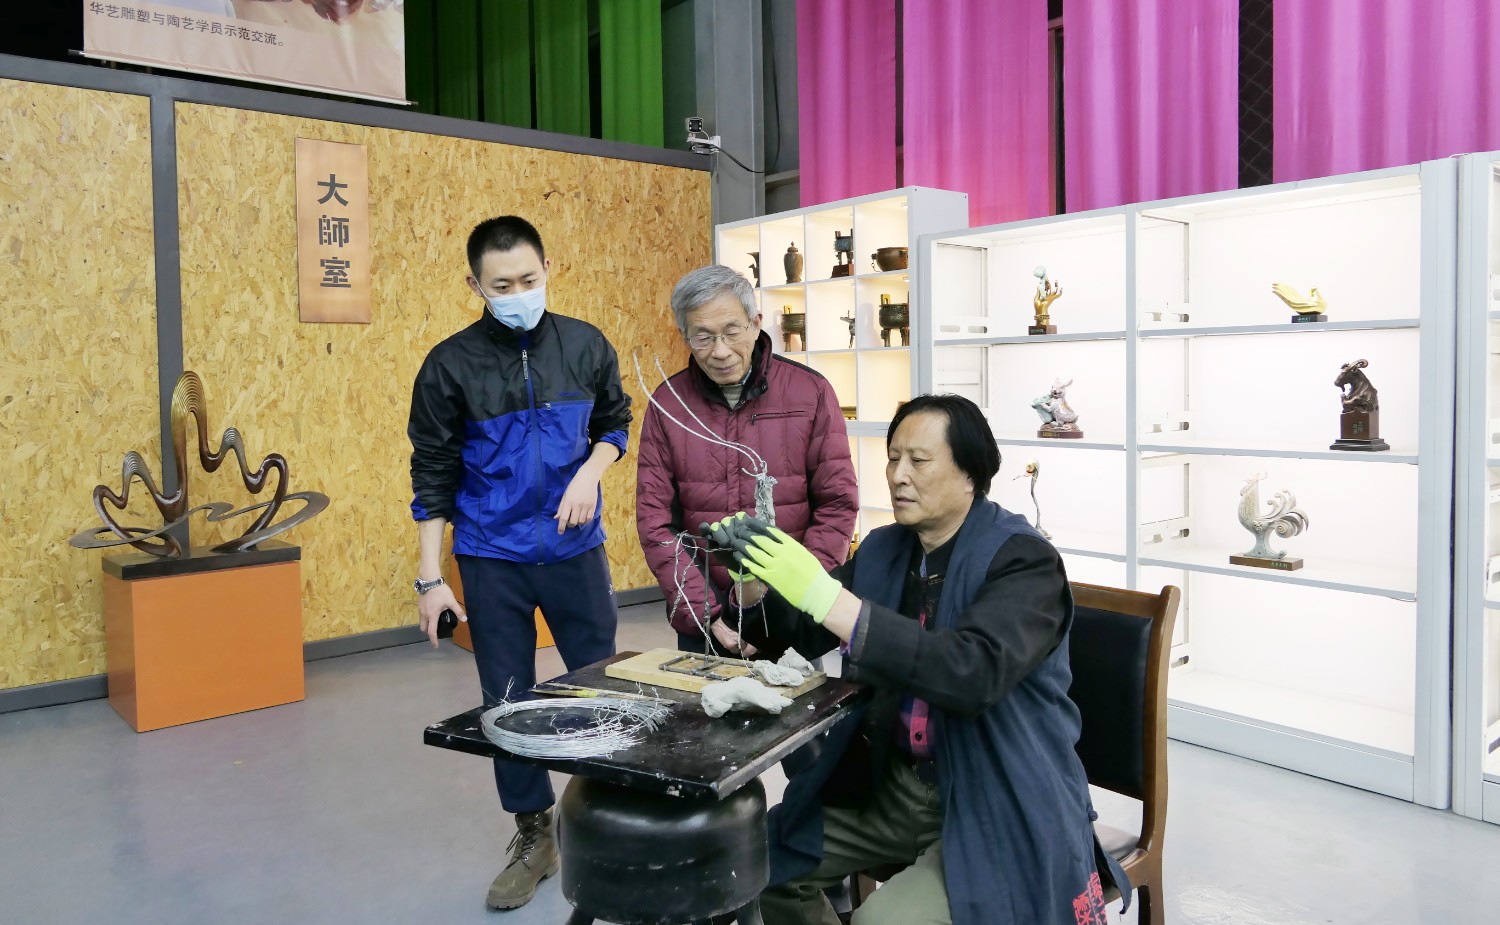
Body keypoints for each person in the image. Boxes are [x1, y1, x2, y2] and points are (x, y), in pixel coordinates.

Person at [704, 394, 1126, 925]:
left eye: (919, 460)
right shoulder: (885, 550)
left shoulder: (1024, 561)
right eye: (892, 458)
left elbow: (971, 672)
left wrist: (827, 597)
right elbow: (800, 633)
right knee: (752, 864)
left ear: (971, 474)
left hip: (993, 793)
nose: (898, 475)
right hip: (891, 782)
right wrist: (750, 582)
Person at [407, 216, 632, 912]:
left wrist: (590, 472)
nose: (517, 295)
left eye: (528, 280)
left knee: (603, 684)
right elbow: (432, 476)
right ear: (473, 285)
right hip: (490, 556)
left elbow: (615, 424)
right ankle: (535, 832)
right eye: (500, 286)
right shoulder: (449, 366)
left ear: (548, 269)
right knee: (507, 700)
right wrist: (430, 577)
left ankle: (610, 814)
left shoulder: (586, 344)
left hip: (574, 550)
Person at [635, 264, 858, 659]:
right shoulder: (668, 404)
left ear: (756, 323)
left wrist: (789, 597)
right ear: (685, 336)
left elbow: (837, 503)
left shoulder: (810, 392)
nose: (720, 351)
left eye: (731, 331)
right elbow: (655, 522)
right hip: (707, 619)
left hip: (791, 610)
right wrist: (705, 612)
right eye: (703, 337)